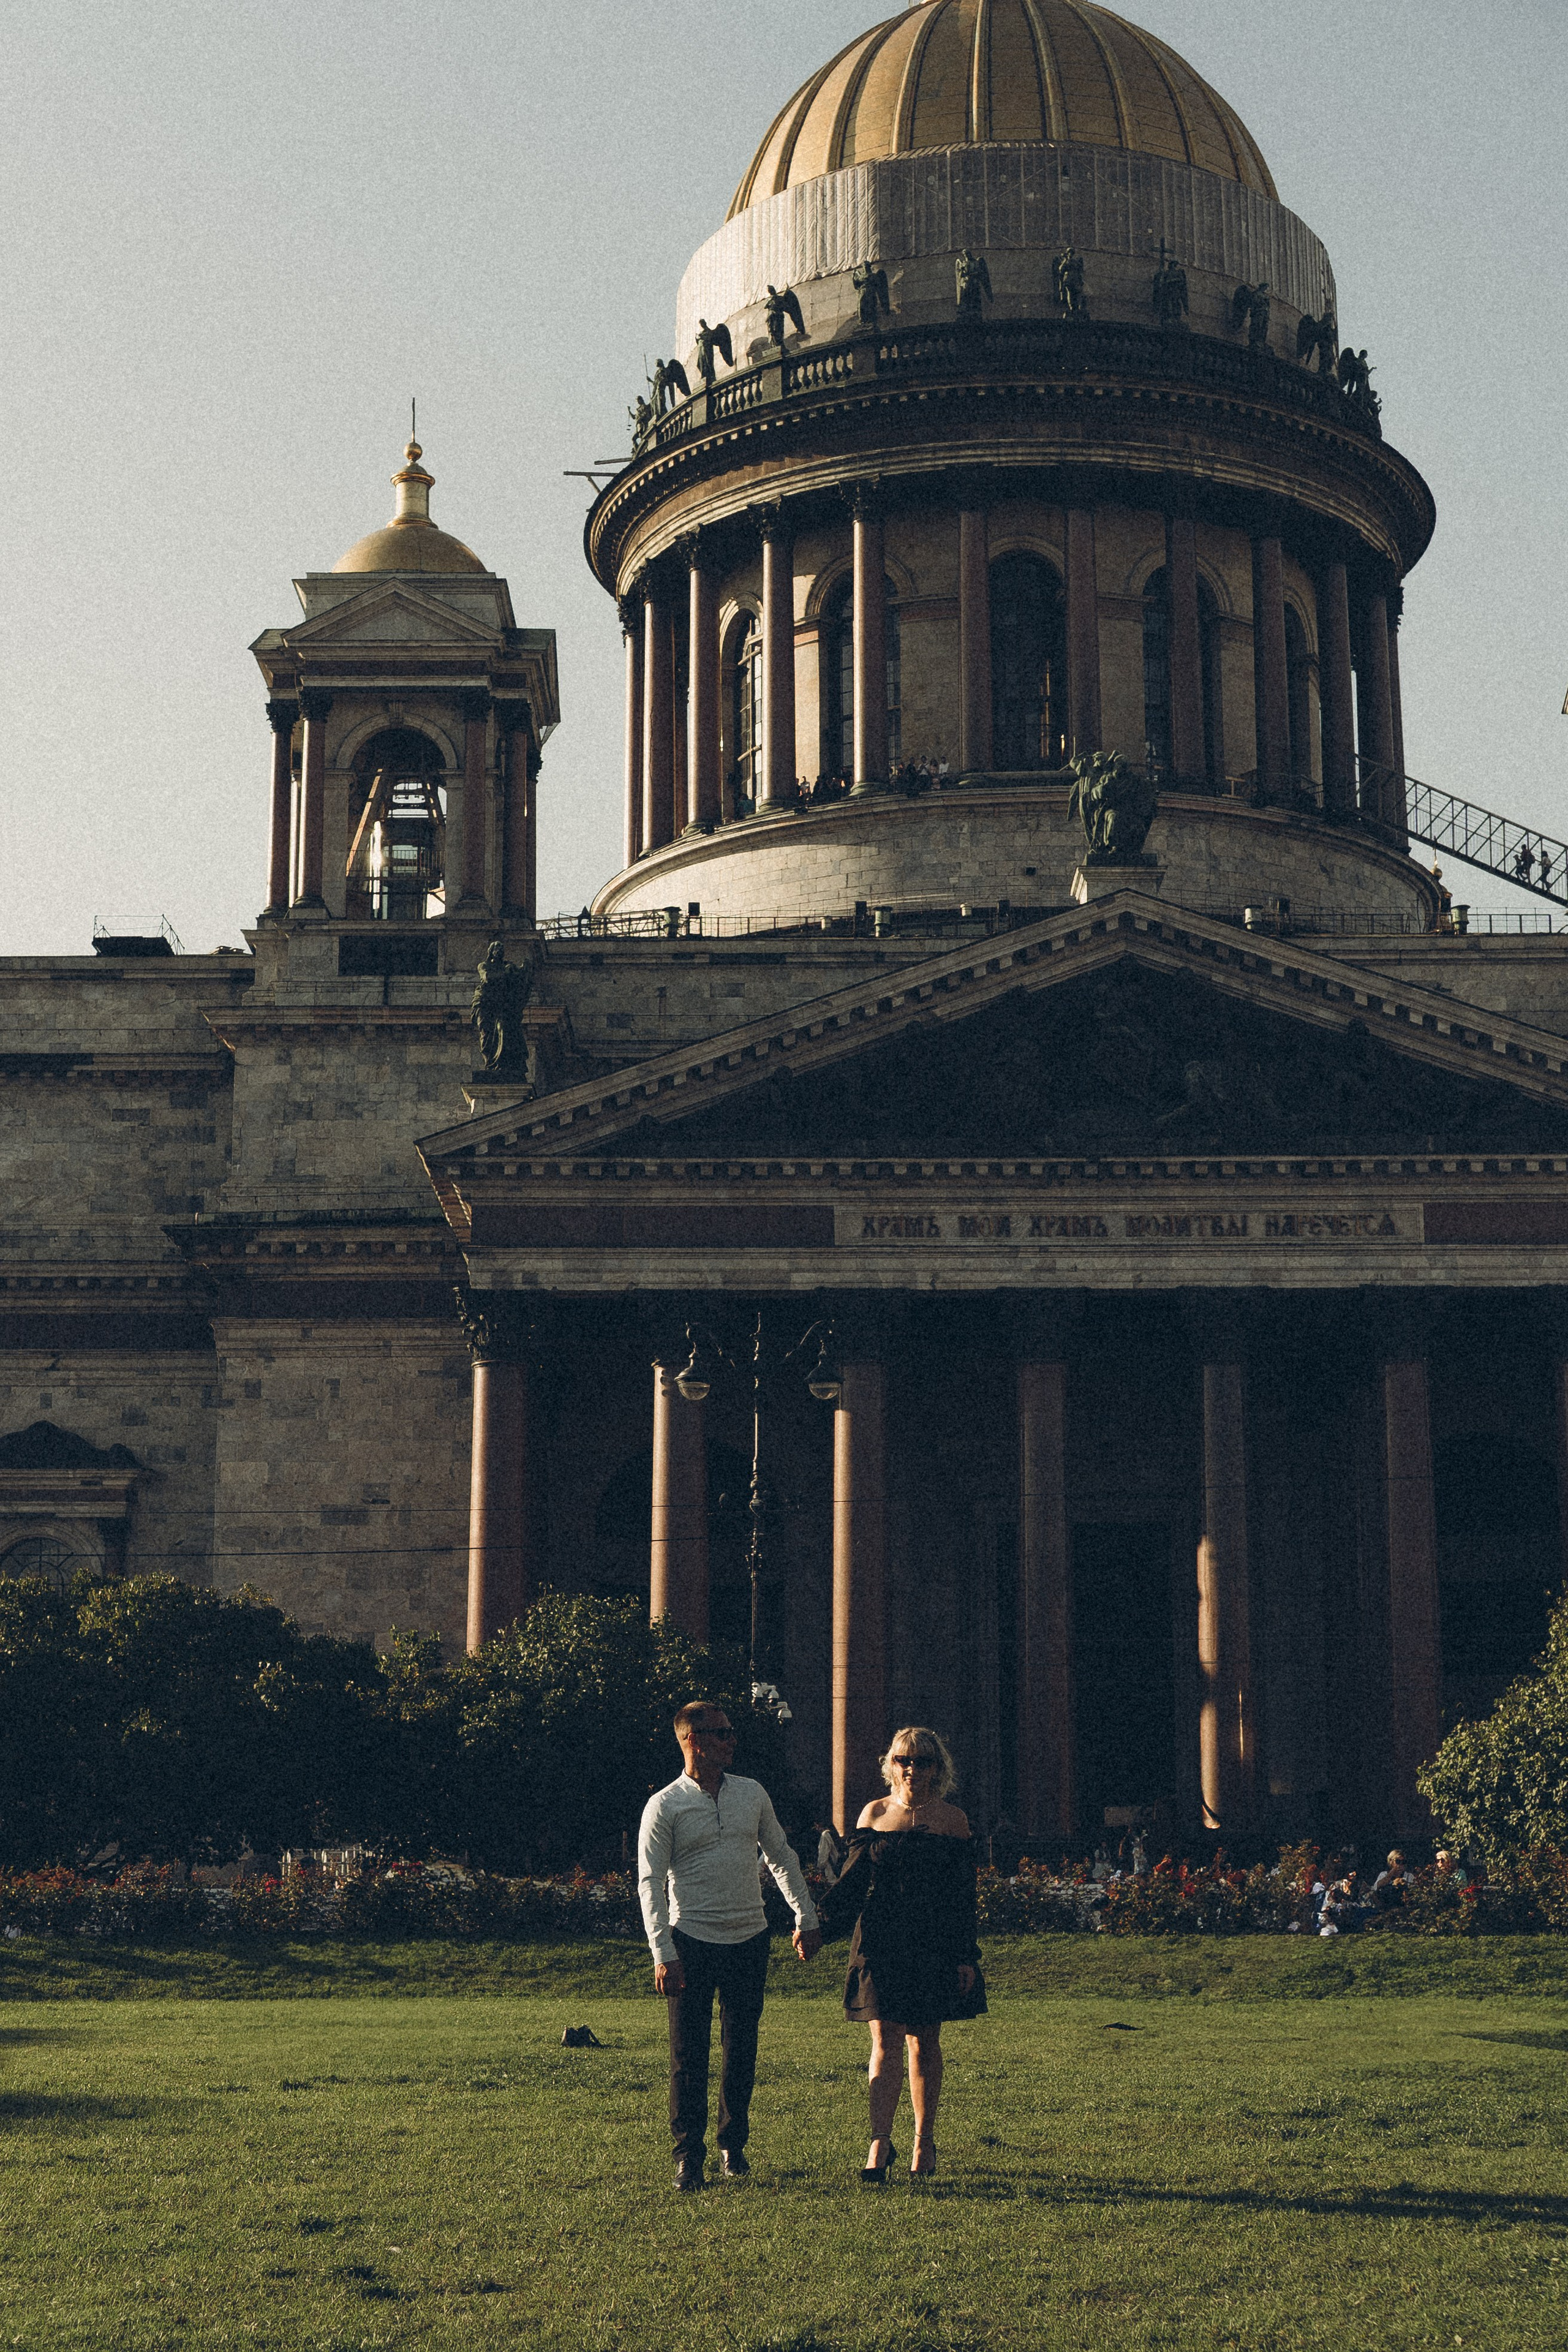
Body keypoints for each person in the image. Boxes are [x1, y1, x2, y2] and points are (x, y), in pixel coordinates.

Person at [638, 1700, 821, 2193]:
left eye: (731, 1732)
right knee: (688, 2055)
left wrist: (805, 1916)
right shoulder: (665, 1805)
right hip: (690, 1940)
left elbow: (781, 1856)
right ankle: (687, 2157)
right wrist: (663, 1952)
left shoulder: (752, 1794)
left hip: (749, 1938)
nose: (732, 1740)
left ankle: (731, 2146)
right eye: (721, 1733)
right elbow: (649, 1883)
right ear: (693, 1741)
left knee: (741, 2048)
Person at [818, 1726, 985, 2184]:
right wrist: (817, 1928)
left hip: (933, 1944)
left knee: (923, 2042)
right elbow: (850, 1885)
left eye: (923, 1761)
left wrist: (965, 1957)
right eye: (903, 1760)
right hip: (880, 1940)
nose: (912, 1769)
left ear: (938, 1768)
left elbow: (961, 1899)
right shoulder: (873, 1814)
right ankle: (879, 2141)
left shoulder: (954, 1821)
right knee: (884, 2040)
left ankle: (922, 2142)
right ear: (890, 1765)